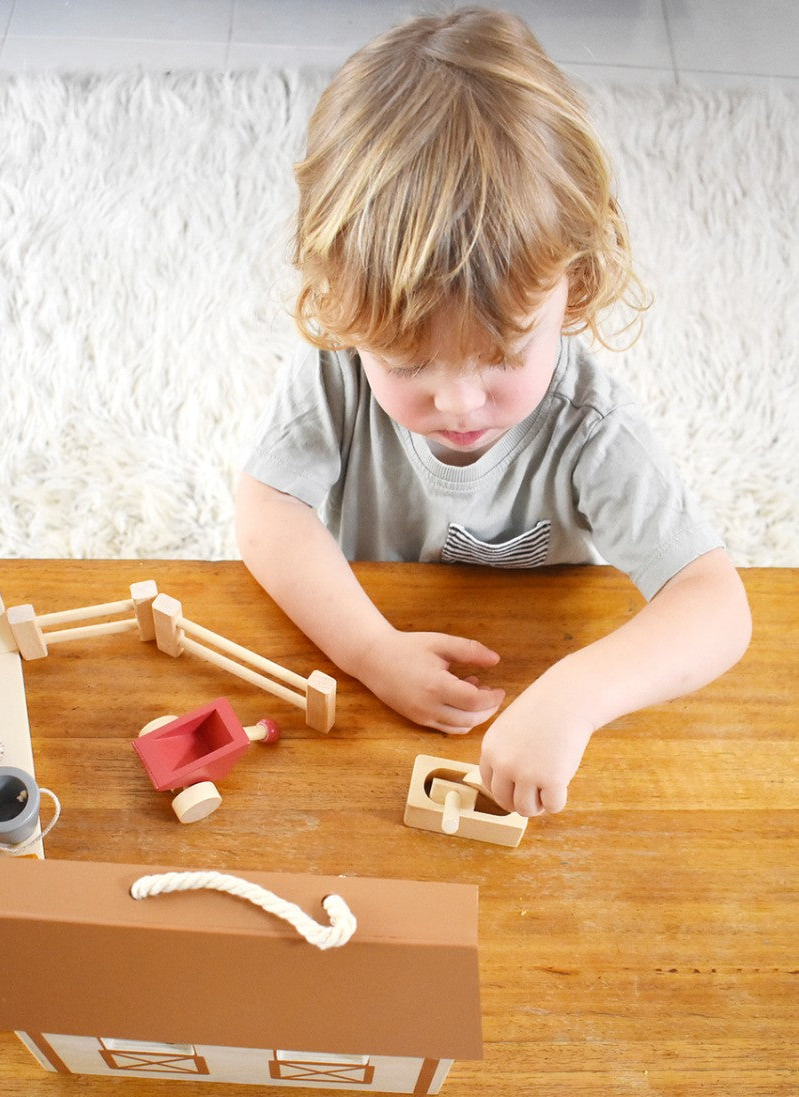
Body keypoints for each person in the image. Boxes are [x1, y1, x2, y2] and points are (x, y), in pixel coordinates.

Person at [234, 7, 751, 818]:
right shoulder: (335, 371)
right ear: (341, 308)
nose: (459, 403)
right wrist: (369, 650)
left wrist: (578, 694)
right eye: (406, 363)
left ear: (573, 288)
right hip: (376, 637)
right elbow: (267, 511)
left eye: (505, 356)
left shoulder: (591, 427)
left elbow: (715, 605)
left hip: (539, 662)